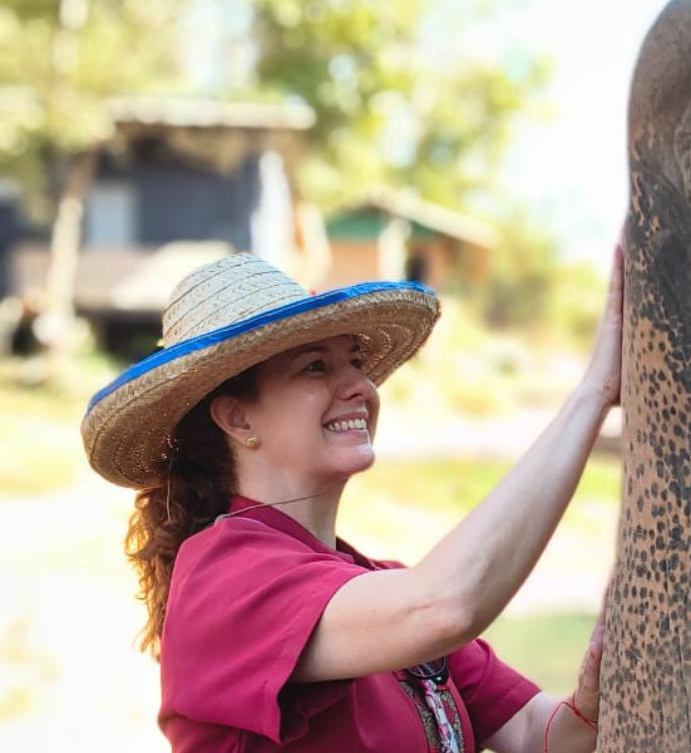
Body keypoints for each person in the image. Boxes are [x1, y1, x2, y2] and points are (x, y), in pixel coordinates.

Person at [80, 246, 624, 752]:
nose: (361, 387)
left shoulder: (379, 586)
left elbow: (540, 735)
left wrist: (595, 698)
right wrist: (594, 393)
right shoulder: (224, 580)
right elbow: (446, 606)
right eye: (315, 366)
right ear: (239, 419)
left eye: (356, 361)